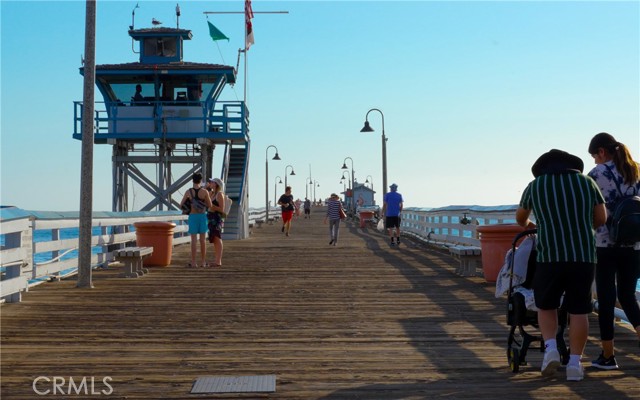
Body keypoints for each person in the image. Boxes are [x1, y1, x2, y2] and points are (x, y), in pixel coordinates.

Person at [516, 149, 606, 381]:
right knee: (579, 310)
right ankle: (575, 364)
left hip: (550, 256)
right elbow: (601, 217)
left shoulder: (536, 186)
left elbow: (520, 218)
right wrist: (586, 227)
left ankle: (551, 350)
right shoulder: (587, 183)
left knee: (546, 305)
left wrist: (530, 224)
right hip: (583, 256)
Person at [586, 132, 640, 370]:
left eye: (594, 156)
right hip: (635, 245)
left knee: (606, 300)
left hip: (605, 245)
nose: (594, 161)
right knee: (628, 296)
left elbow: (590, 213)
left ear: (601, 152)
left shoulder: (595, 175)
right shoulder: (636, 170)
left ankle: (608, 356)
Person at [180, 173, 213, 268]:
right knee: (202, 240)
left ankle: (194, 262)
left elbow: (181, 205)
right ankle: (203, 262)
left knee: (193, 240)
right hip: (202, 216)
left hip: (193, 216)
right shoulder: (204, 192)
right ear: (201, 180)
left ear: (192, 180)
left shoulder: (188, 192)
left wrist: (190, 204)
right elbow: (210, 205)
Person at [207, 178, 226, 267]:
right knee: (214, 239)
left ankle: (218, 261)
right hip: (211, 218)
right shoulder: (212, 193)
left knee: (217, 238)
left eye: (212, 182)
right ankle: (216, 260)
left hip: (216, 218)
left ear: (216, 184)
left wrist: (212, 206)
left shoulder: (219, 194)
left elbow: (222, 209)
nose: (210, 183)